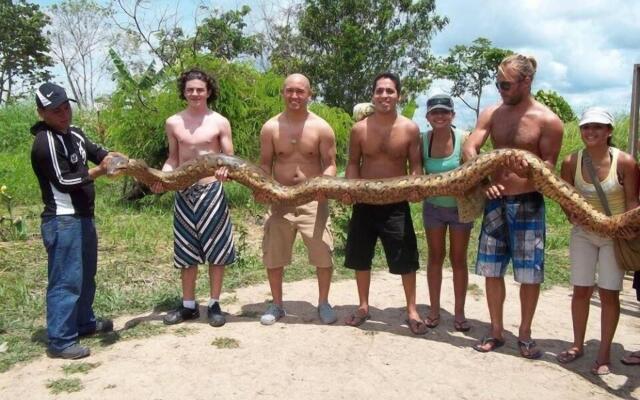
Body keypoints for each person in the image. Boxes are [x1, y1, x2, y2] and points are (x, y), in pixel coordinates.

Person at [462, 54, 564, 357]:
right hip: (494, 202)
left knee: (529, 274)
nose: (500, 89)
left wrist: (528, 172)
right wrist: (482, 180)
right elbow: (470, 147)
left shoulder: (548, 121)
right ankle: (495, 330)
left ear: (526, 82)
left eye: (505, 84)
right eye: (498, 83)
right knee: (491, 271)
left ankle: (525, 333)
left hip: (528, 203)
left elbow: (548, 169)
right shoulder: (493, 113)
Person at [31, 82, 118, 359]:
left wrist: (113, 159)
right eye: (56, 110)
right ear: (41, 113)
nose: (64, 114)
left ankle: (83, 323)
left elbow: (97, 151)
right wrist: (100, 171)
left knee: (85, 276)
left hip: (83, 218)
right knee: (65, 281)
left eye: (66, 107)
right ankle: (61, 340)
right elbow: (64, 181)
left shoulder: (76, 134)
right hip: (62, 220)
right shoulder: (44, 142)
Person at [556, 107, 639, 375]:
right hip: (584, 234)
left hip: (614, 237)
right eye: (586, 127)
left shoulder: (625, 162)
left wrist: (630, 228)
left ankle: (604, 353)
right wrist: (571, 215)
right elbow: (564, 198)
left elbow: (632, 203)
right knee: (580, 290)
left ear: (609, 131)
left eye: (598, 127)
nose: (590, 132)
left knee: (608, 293)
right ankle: (577, 345)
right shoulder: (571, 162)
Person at [151, 69, 236, 327]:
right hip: (184, 193)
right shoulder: (173, 122)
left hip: (212, 191)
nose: (195, 94)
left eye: (200, 89)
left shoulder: (220, 122)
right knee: (186, 250)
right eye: (190, 90)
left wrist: (225, 170)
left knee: (217, 250)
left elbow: (230, 159)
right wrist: (164, 179)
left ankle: (214, 304)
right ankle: (188, 305)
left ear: (208, 92)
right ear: (184, 92)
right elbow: (173, 159)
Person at [343, 72, 426, 335]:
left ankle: (412, 310)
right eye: (379, 91)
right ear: (373, 95)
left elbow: (415, 166)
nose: (384, 96)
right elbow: (353, 163)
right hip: (365, 202)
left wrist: (415, 187)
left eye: (389, 91)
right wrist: (350, 189)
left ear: (398, 95)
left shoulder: (410, 128)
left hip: (396, 204)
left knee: (406, 260)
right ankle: (363, 306)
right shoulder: (359, 129)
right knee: (360, 257)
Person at [257, 73, 338, 325]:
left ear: (309, 94)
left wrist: (323, 186)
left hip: (313, 199)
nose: (294, 96)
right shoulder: (270, 127)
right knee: (274, 254)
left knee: (323, 252)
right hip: (280, 200)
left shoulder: (322, 127)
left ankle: (323, 303)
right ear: (283, 93)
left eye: (300, 91)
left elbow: (331, 165)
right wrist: (262, 187)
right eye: (290, 90)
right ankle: (278, 304)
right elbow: (264, 165)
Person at [420, 94, 473, 331]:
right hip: (433, 207)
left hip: (460, 208)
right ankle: (433, 310)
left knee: (458, 259)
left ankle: (459, 313)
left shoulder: (464, 139)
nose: (439, 116)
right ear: (427, 117)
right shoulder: (422, 140)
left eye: (444, 112)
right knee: (435, 257)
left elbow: (474, 171)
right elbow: (418, 174)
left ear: (452, 115)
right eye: (435, 112)